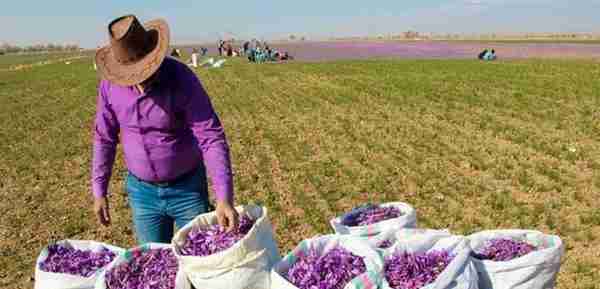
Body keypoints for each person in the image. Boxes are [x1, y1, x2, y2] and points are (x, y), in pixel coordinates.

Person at [93, 15, 239, 244]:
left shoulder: (182, 79)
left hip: (187, 190)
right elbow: (104, 138)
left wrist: (224, 197)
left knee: (196, 261)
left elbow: (210, 136)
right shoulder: (110, 87)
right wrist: (99, 190)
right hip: (143, 195)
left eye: (145, 69)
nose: (142, 79)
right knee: (155, 262)